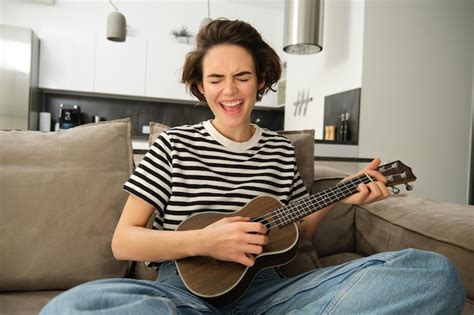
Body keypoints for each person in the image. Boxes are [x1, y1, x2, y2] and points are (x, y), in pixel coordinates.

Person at [41, 19, 465, 314]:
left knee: (434, 274)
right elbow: (125, 242)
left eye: (242, 76)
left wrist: (345, 195)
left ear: (261, 80)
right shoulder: (172, 144)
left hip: (275, 298)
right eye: (215, 79)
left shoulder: (280, 152)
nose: (230, 90)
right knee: (76, 306)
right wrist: (205, 242)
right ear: (199, 87)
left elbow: (296, 237)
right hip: (184, 297)